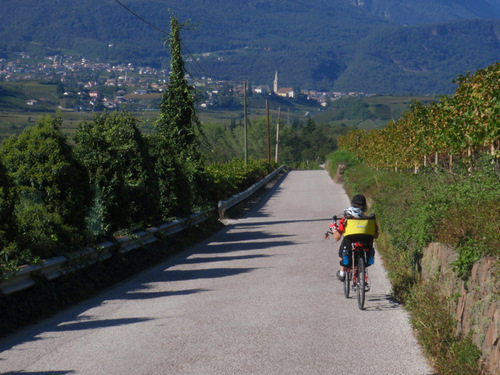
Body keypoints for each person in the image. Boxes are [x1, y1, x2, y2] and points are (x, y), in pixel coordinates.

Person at [330, 194, 378, 282]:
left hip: (350, 241)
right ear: (365, 206)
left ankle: (342, 273)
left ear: (352, 205)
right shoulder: (370, 220)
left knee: (342, 249)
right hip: (366, 242)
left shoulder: (346, 219)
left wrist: (333, 227)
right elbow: (376, 235)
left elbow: (337, 237)